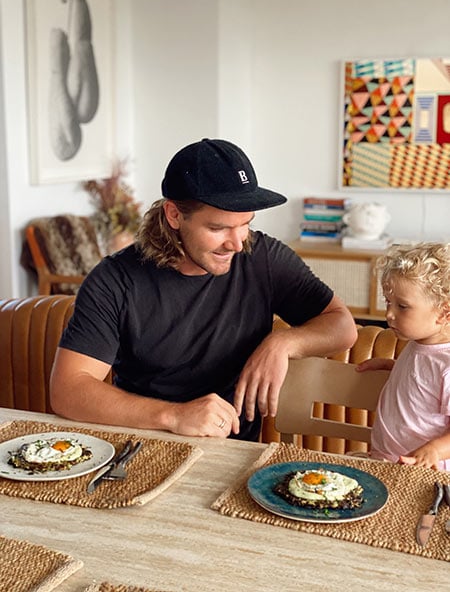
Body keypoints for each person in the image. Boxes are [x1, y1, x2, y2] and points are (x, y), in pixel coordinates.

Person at [50, 138, 357, 441]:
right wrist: (174, 416)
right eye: (218, 228)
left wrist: (283, 343)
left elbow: (342, 326)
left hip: (231, 453)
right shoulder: (115, 280)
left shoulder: (262, 258)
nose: (236, 244)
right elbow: (67, 390)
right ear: (174, 215)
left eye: (244, 224)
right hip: (144, 445)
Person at [356, 242, 450, 470]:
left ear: (443, 313)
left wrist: (435, 449)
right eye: (389, 302)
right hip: (387, 462)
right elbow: (426, 381)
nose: (389, 314)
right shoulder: (419, 344)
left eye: (403, 306)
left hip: (421, 471)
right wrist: (394, 366)